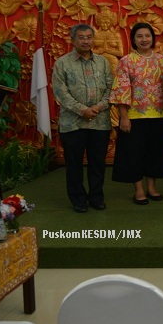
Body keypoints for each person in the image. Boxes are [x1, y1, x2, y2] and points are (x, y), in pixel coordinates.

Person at [52, 24, 114, 213]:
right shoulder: (62, 63)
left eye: (89, 37)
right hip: (72, 123)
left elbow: (111, 89)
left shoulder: (103, 62)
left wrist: (98, 107)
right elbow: (61, 93)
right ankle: (78, 199)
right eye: (81, 37)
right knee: (74, 164)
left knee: (97, 163)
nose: (86, 41)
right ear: (73, 40)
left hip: (99, 122)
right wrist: (82, 110)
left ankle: (96, 197)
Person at [110, 22, 163, 205]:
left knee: (155, 153)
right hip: (134, 117)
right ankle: (138, 190)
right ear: (133, 40)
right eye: (140, 36)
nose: (144, 39)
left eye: (147, 36)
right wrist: (124, 116)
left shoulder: (162, 60)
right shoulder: (126, 61)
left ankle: (152, 188)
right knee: (134, 154)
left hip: (159, 115)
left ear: (153, 38)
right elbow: (121, 89)